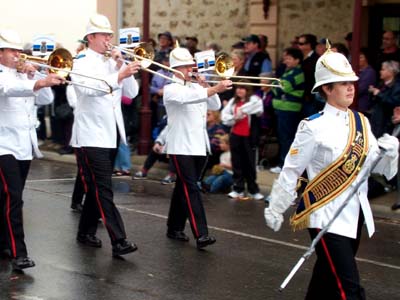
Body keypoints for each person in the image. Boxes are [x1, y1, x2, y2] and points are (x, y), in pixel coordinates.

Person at [264, 47, 399, 299]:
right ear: (326, 89)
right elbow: (291, 171)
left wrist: (389, 153)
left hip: (354, 213)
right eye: (342, 83)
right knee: (349, 288)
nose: (350, 88)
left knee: (325, 280)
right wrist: (276, 207)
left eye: (352, 83)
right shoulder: (312, 127)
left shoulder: (362, 122)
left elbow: (374, 169)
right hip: (325, 214)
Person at [70, 14, 141, 257]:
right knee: (103, 188)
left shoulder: (113, 60)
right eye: (105, 35)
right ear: (91, 38)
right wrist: (117, 75)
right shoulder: (81, 61)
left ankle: (85, 232)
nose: (110, 39)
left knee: (96, 189)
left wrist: (124, 67)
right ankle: (119, 239)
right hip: (89, 135)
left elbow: (131, 93)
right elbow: (87, 89)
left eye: (110, 34)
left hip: (110, 134)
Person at [0, 29, 65, 270]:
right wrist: (37, 81)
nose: (18, 55)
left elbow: (45, 99)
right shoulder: (4, 75)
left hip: (24, 145)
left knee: (7, 199)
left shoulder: (24, 74)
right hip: (3, 144)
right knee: (14, 198)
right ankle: (20, 254)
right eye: (13, 51)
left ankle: (4, 243)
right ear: (1, 53)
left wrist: (42, 75)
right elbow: (7, 90)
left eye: (19, 50)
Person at [163, 45, 232, 249]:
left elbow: (215, 106)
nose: (189, 70)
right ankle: (201, 234)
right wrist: (211, 89)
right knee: (191, 188)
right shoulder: (171, 88)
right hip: (180, 145)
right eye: (185, 67)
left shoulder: (196, 86)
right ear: (175, 69)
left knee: (183, 187)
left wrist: (207, 84)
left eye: (190, 66)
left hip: (199, 146)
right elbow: (188, 98)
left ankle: (174, 227)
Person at [221, 81, 264, 201]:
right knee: (237, 163)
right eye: (238, 88)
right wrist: (234, 117)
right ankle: (237, 189)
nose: (239, 90)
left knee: (250, 164)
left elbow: (256, 108)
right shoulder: (233, 102)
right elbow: (224, 117)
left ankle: (253, 190)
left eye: (242, 88)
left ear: (248, 90)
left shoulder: (255, 99)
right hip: (236, 136)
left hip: (249, 137)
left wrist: (242, 111)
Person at [269, 47, 305, 174]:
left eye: (289, 58)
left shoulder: (297, 73)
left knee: (287, 138)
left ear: (297, 60)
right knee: (283, 137)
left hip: (289, 109)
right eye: (285, 58)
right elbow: (276, 86)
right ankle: (283, 162)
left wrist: (277, 87)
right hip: (282, 108)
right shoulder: (288, 72)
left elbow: (282, 87)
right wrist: (277, 87)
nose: (286, 61)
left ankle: (285, 164)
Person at [369, 60, 400, 138]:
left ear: (391, 72)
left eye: (383, 69)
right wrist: (372, 92)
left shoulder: (397, 86)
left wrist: (379, 94)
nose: (380, 71)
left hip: (386, 124)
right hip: (376, 120)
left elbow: (394, 103)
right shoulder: (381, 84)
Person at [297, 34, 321, 118]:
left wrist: (309, 95)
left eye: (301, 43)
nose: (298, 45)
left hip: (310, 97)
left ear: (309, 45)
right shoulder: (298, 57)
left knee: (310, 121)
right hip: (298, 97)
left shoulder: (316, 59)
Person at [357, 47, 376, 116]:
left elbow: (360, 89)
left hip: (362, 107)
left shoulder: (370, 72)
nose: (358, 59)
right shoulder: (356, 70)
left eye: (361, 57)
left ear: (366, 59)